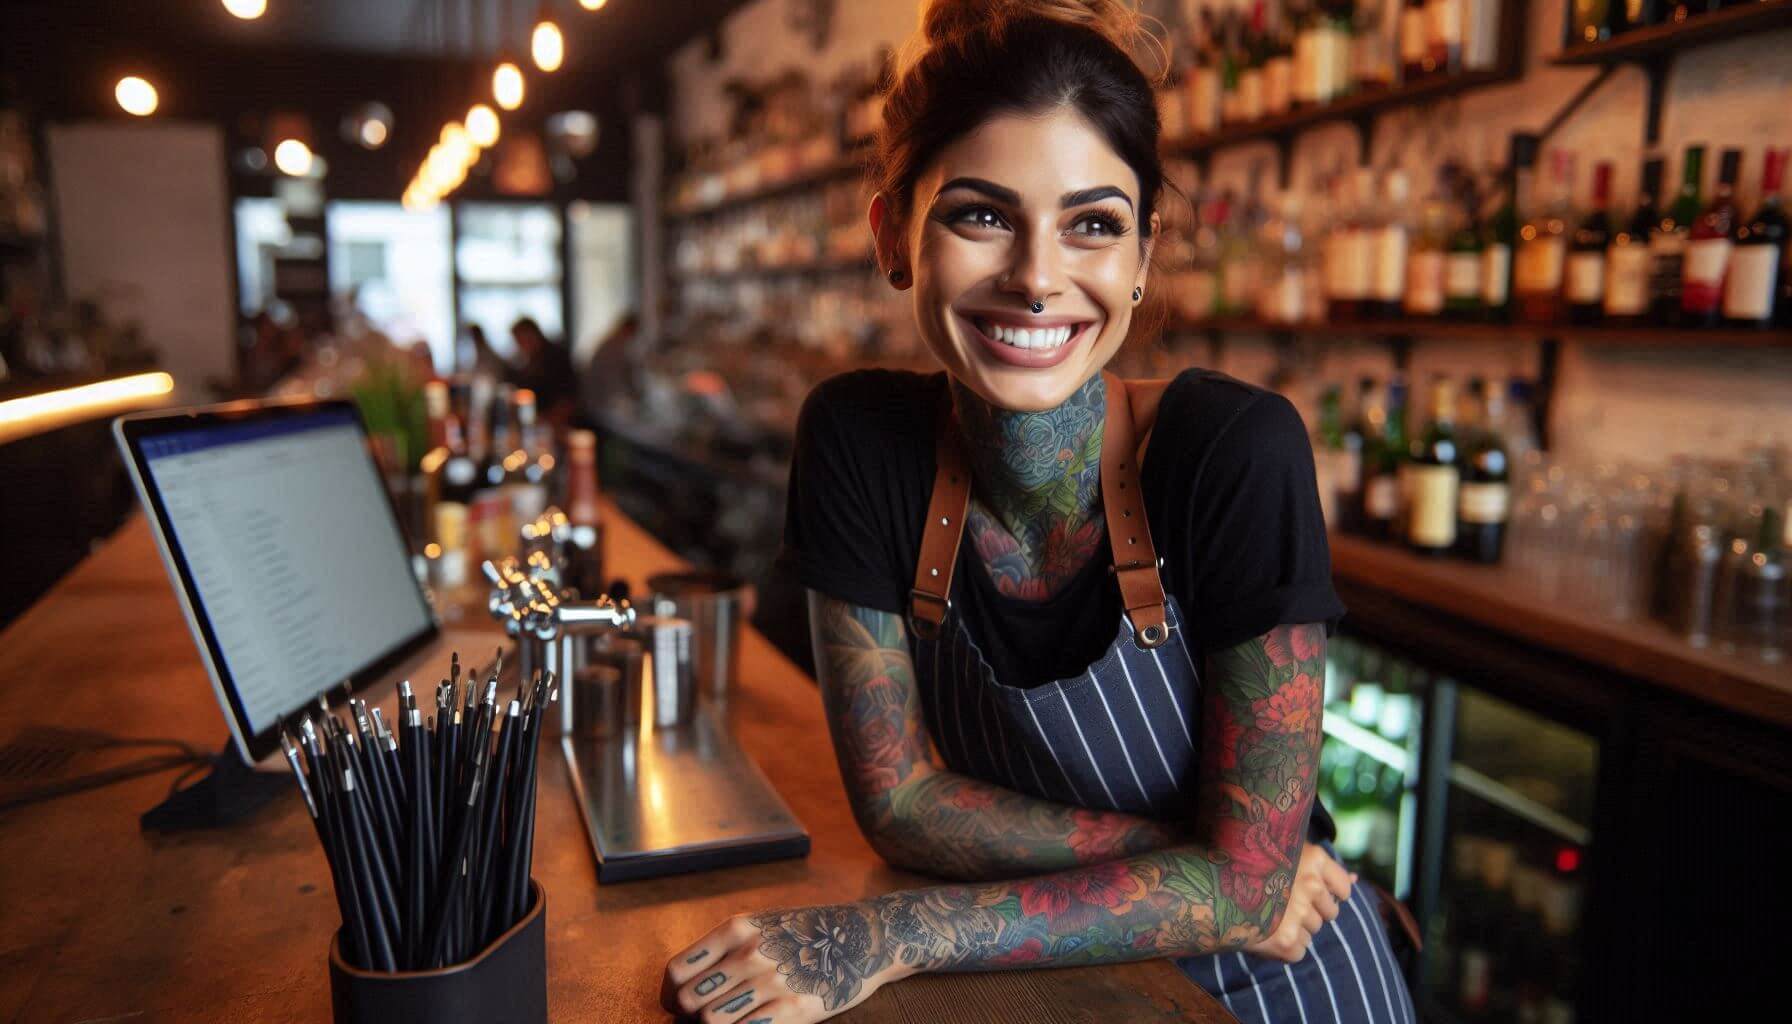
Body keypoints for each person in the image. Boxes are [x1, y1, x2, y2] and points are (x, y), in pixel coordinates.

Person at [661, 3, 1417, 1023]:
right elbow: (899, 805)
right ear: (894, 231)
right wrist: (1204, 867)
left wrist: (896, 930)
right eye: (981, 214)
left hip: (1288, 981)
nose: (1035, 277)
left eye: (1092, 225)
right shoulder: (855, 438)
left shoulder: (1234, 452)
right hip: (1056, 981)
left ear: (1142, 256)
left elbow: (1245, 895)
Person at [508, 316, 577, 426]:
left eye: (521, 340)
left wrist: (548, 422)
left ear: (533, 334)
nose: (520, 345)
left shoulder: (556, 358)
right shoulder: (527, 362)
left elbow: (568, 399)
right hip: (539, 424)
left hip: (561, 424)